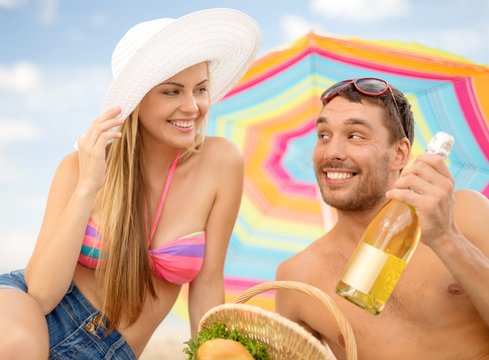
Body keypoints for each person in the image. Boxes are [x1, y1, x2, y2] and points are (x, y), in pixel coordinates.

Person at [0, 8, 260, 359]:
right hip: (32, 317)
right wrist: (88, 186)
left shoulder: (221, 163)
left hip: (114, 351)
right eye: (172, 92)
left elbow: (208, 285)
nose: (192, 107)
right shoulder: (79, 167)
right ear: (137, 100)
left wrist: (213, 351)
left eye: (200, 89)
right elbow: (42, 293)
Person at [275, 78, 489, 359]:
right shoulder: (297, 278)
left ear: (399, 154)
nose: (332, 152)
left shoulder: (466, 212)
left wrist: (447, 239)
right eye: (324, 135)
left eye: (354, 136)